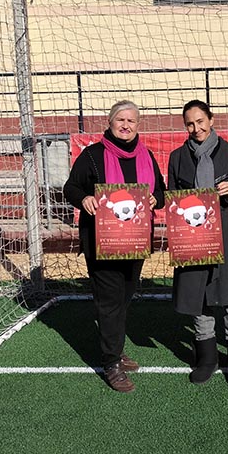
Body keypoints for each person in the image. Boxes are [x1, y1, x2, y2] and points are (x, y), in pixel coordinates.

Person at [63, 100, 165, 393]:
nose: (125, 125)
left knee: (124, 298)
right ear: (109, 123)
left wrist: (156, 198)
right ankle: (111, 363)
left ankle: (115, 349)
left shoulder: (146, 155)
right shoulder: (93, 155)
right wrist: (84, 199)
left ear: (138, 125)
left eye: (131, 121)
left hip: (135, 241)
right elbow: (71, 187)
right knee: (109, 302)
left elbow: (160, 188)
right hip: (103, 243)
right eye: (120, 120)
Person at [167, 100, 228, 386]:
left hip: (226, 233)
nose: (196, 128)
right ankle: (206, 357)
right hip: (192, 237)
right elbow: (172, 198)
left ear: (211, 119)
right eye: (190, 124)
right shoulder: (177, 156)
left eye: (200, 121)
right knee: (198, 296)